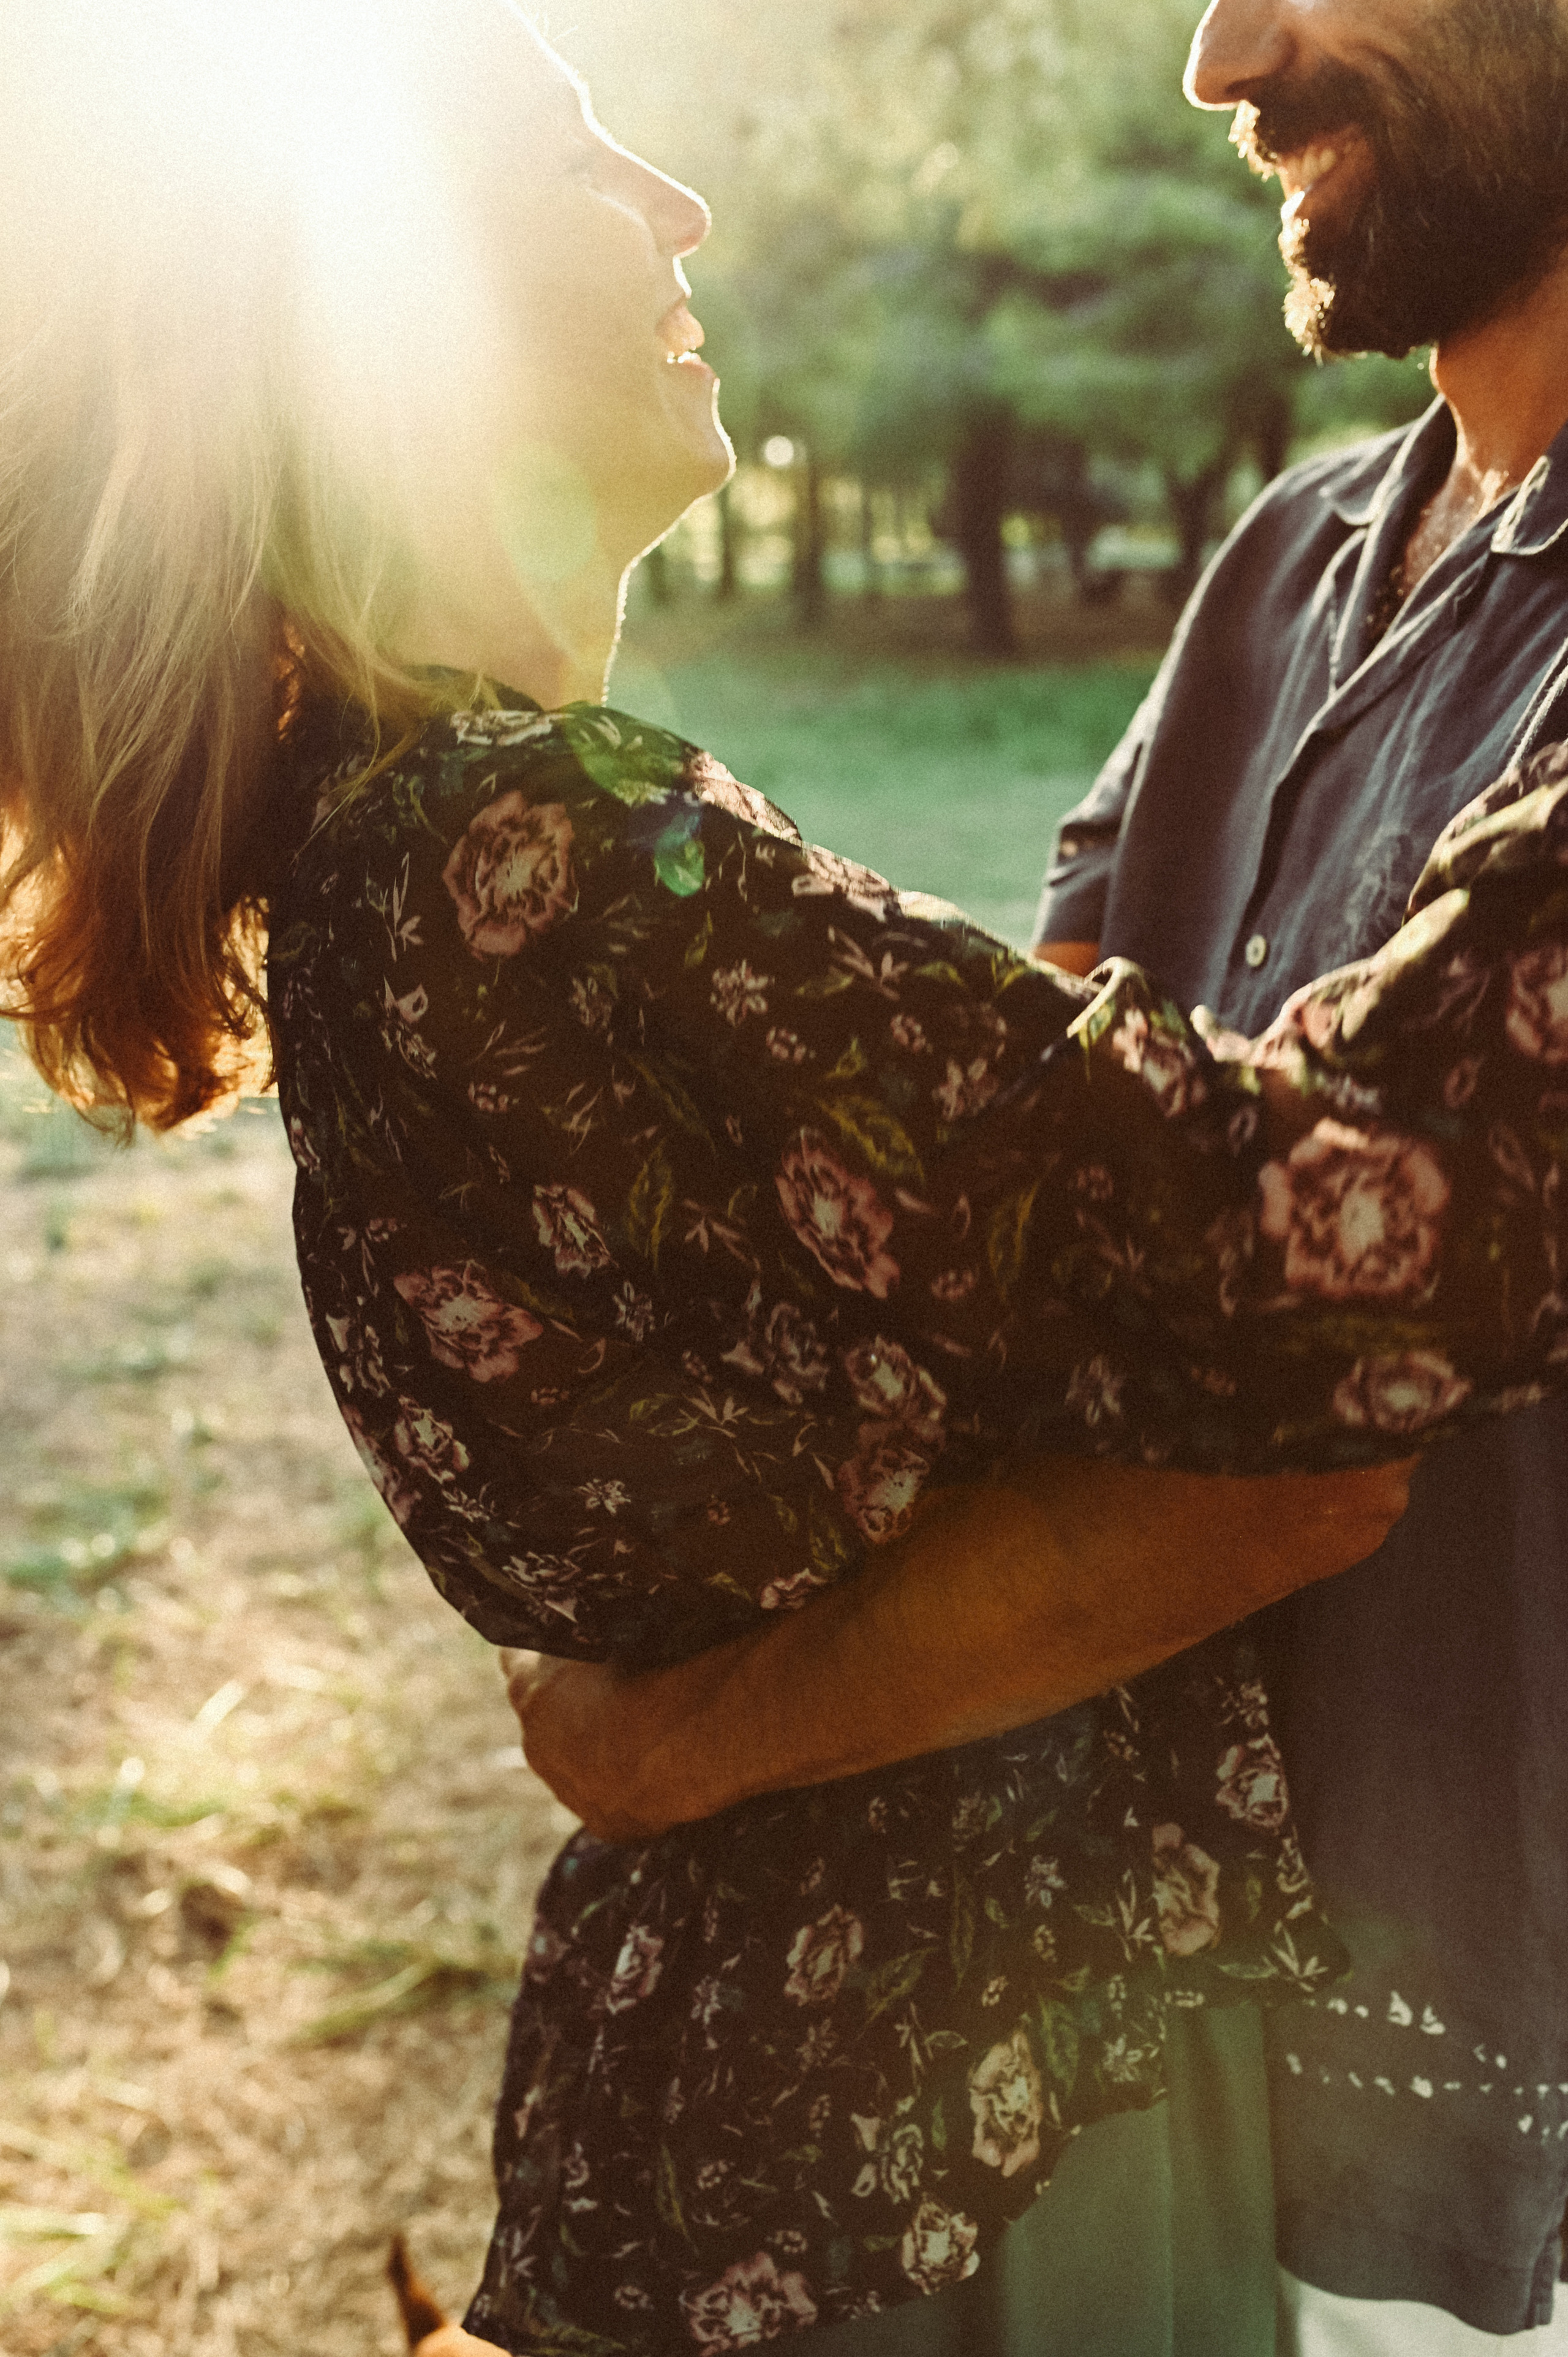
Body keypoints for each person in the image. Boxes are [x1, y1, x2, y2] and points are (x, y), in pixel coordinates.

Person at [0, 4, 1562, 2354]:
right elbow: (1270, 1298)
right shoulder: (528, 857)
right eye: (569, 161)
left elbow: (1094, 1276)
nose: (683, 202)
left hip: (882, 2077)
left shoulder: (406, 863)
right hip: (952, 2114)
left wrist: (682, 1728)